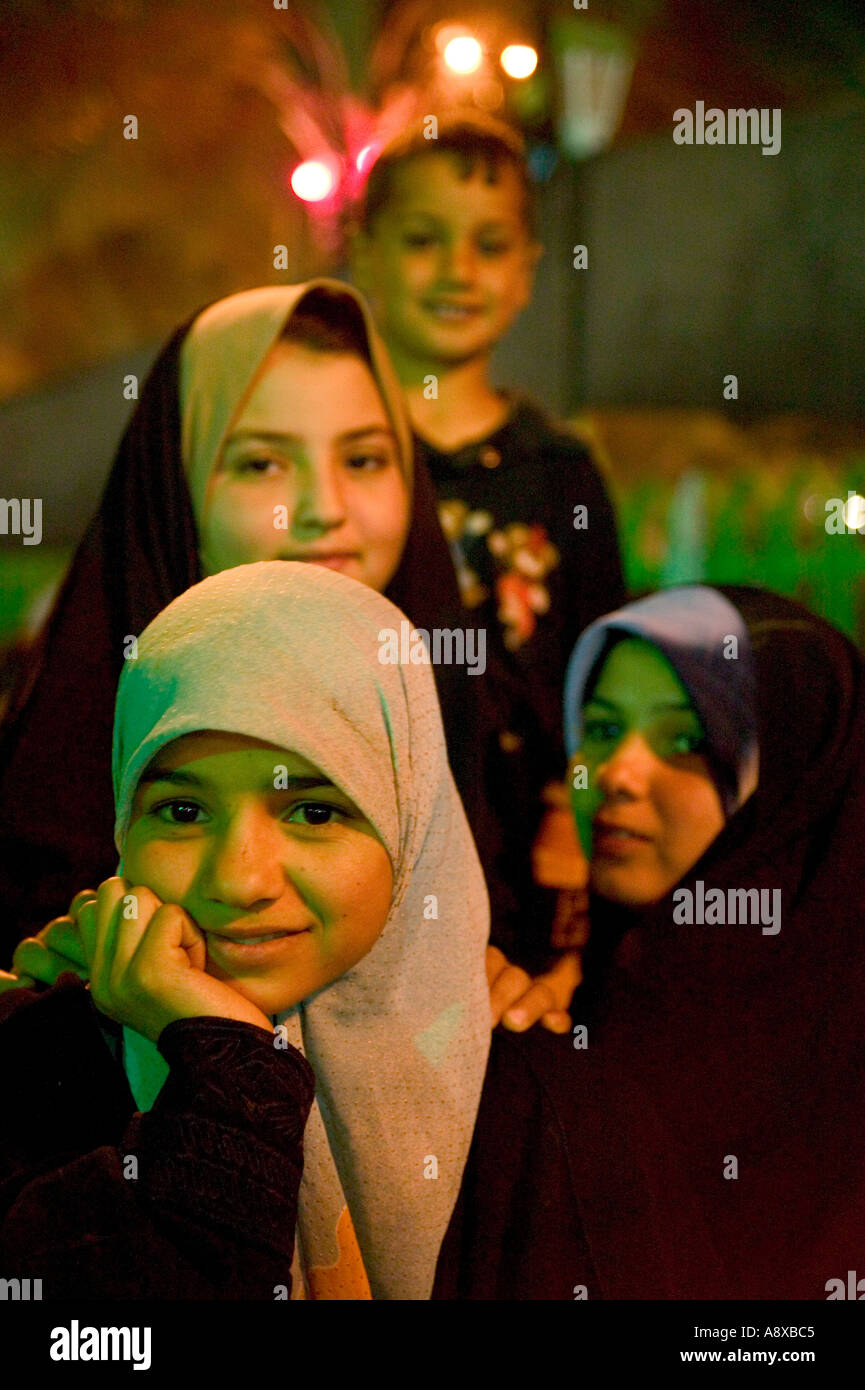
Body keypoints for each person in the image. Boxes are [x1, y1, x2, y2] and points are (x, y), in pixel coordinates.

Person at [0, 561, 491, 1300]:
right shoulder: (34, 1086)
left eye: (314, 812)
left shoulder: (539, 1108)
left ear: (410, 823)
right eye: (182, 811)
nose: (239, 880)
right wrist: (229, 1064)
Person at [0, 280, 480, 955]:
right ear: (177, 489)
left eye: (364, 459)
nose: (325, 508)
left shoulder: (453, 724)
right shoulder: (66, 793)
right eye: (262, 463)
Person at [434, 585, 865, 1298]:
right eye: (600, 729)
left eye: (687, 739)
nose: (616, 774)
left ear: (794, 781)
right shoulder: (565, 1011)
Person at [351, 111, 626, 967]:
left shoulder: (560, 471)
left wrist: (576, 826)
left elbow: (597, 676)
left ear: (526, 274)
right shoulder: (333, 458)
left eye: (490, 245)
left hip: (515, 887)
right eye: (423, 240)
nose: (457, 272)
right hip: (353, 863)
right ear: (363, 252)